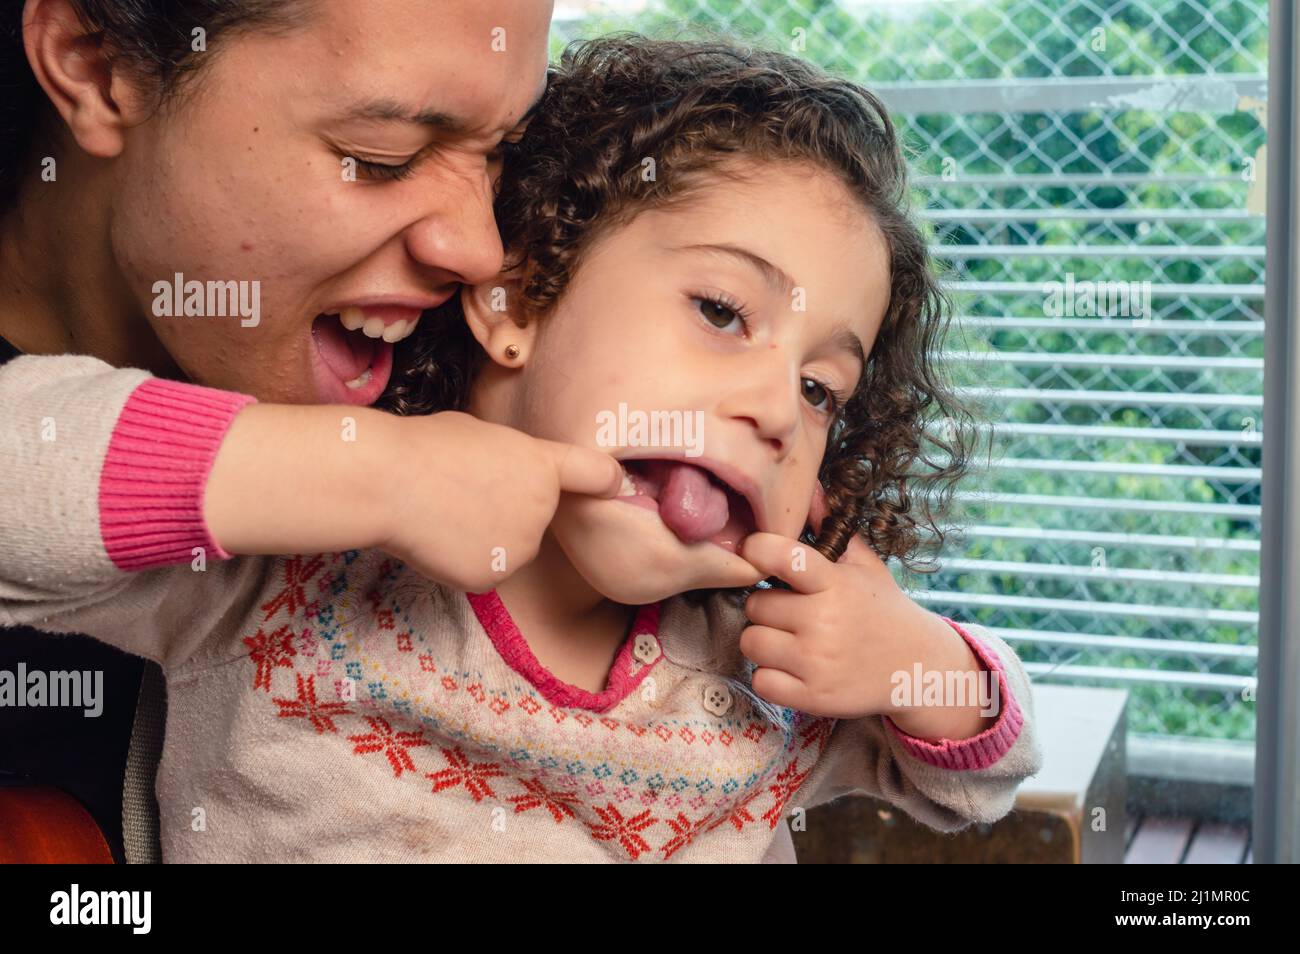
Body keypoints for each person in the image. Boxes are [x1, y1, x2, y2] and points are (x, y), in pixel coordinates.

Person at [1, 32, 1042, 862]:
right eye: (723, 312)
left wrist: (918, 661)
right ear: (517, 302)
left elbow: (978, 776)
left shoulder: (762, 666)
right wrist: (370, 470)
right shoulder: (291, 575)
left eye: (822, 390)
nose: (777, 408)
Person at [0, 0, 628, 861]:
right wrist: (376, 475)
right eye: (379, 159)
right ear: (94, 67)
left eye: (502, 151)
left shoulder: (480, 374)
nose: (479, 247)